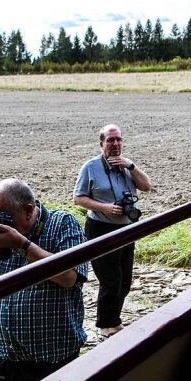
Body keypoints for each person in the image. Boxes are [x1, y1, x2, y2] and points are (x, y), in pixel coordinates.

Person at [0, 178, 88, 381]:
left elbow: (70, 277)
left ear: (28, 211)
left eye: (6, 217)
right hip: (7, 360)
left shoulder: (61, 223)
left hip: (52, 360)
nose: (1, 223)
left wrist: (22, 244)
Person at [73, 124, 152, 338]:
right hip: (100, 228)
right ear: (101, 144)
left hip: (127, 228)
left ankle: (113, 319)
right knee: (111, 279)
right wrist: (105, 207)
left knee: (125, 279)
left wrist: (132, 166)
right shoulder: (90, 167)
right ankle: (107, 326)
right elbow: (78, 198)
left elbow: (146, 186)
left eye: (118, 140)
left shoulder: (127, 166)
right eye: (110, 140)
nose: (115, 144)